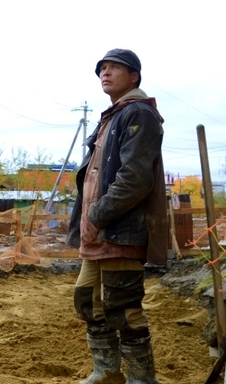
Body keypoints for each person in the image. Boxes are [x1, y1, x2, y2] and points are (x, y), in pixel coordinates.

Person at [67, 49, 168, 383]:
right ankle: (107, 372)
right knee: (88, 302)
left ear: (134, 76)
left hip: (120, 231)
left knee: (124, 309)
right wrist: (87, 220)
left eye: (114, 68)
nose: (105, 73)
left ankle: (142, 378)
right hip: (96, 234)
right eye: (101, 69)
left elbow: (135, 179)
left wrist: (97, 215)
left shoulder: (139, 114)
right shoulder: (110, 117)